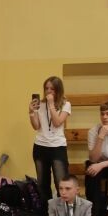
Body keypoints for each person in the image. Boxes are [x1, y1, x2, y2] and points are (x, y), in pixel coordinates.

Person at [28, 76, 71, 204]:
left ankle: (63, 212)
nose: (48, 91)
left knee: (61, 184)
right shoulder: (40, 104)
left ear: (58, 90)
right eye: (46, 88)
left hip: (57, 147)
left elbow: (57, 122)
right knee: (42, 184)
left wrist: (51, 104)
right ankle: (46, 213)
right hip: (40, 146)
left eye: (52, 89)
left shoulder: (66, 104)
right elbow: (36, 126)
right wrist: (31, 112)